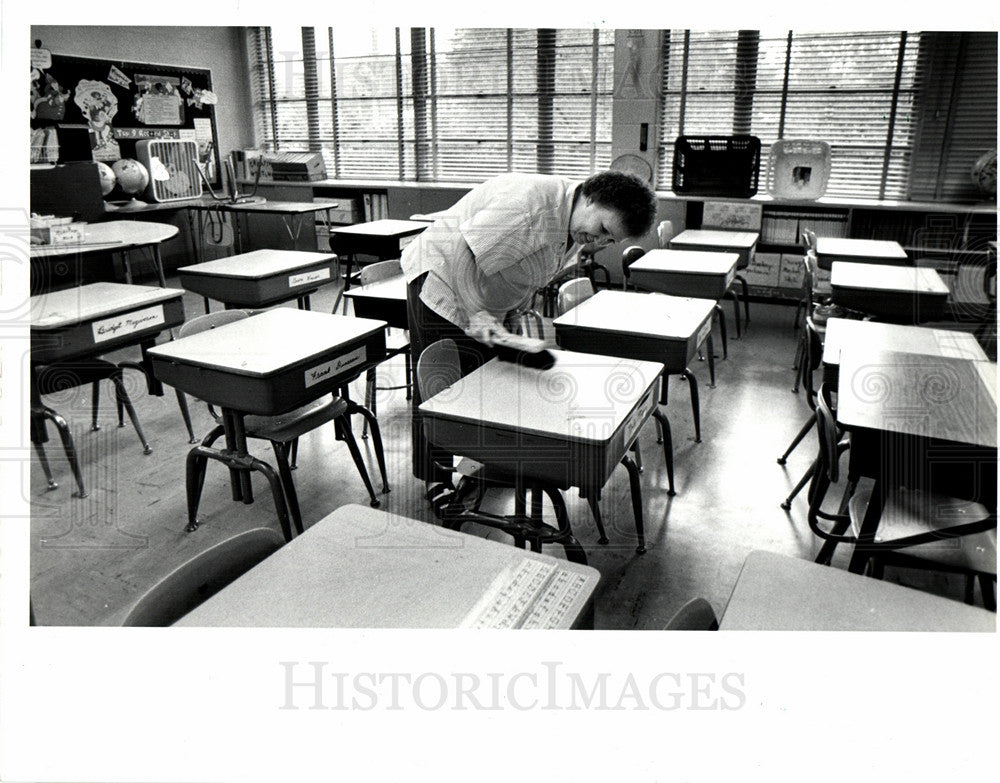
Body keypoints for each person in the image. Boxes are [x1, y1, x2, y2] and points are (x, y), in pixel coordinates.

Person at [401, 169, 658, 488]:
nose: (600, 242)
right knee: (442, 387)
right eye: (603, 229)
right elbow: (462, 252)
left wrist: (511, 312)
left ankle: (482, 463)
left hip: (484, 291)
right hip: (442, 279)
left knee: (485, 378)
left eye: (610, 240)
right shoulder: (533, 206)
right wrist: (476, 312)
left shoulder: (575, 222)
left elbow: (528, 265)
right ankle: (435, 479)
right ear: (590, 198)